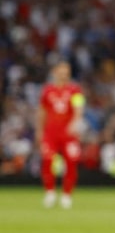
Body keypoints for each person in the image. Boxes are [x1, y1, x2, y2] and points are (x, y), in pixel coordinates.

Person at [35, 60, 86, 209]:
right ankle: (49, 192)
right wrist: (39, 130)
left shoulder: (75, 90)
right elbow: (42, 111)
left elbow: (79, 108)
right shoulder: (47, 90)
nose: (64, 75)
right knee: (47, 160)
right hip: (51, 132)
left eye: (66, 73)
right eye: (61, 72)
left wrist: (75, 122)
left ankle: (66, 195)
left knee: (71, 162)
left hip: (68, 133)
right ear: (55, 72)